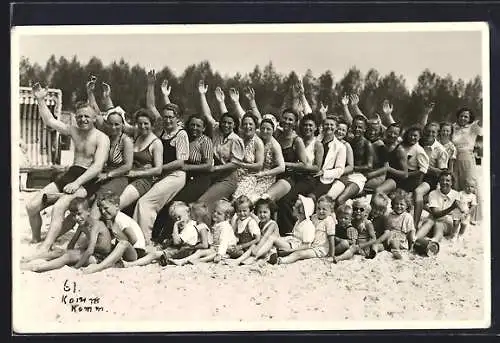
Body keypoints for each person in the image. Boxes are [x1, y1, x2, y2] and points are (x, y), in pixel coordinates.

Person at [25, 83, 110, 259]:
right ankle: (35, 239)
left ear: (95, 118)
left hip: (89, 179)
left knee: (59, 207)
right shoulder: (74, 131)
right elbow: (50, 121)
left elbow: (97, 166)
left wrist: (77, 183)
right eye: (79, 117)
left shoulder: (102, 138)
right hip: (71, 173)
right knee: (31, 206)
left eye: (87, 116)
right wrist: (40, 99)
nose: (83, 120)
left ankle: (46, 247)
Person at [133, 71, 190, 244]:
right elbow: (150, 106)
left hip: (176, 176)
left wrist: (155, 169)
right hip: (161, 174)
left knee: (146, 203)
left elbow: (181, 161)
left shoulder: (181, 134)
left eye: (171, 118)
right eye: (164, 117)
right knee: (138, 202)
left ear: (177, 119)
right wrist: (151, 85)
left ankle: (145, 242)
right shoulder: (162, 130)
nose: (167, 120)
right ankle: (136, 239)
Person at [151, 113, 214, 243]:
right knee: (168, 200)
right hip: (185, 177)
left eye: (198, 126)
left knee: (178, 203)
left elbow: (208, 166)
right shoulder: (185, 137)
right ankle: (158, 235)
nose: (194, 128)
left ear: (203, 128)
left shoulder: (205, 141)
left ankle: (167, 236)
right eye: (192, 125)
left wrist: (186, 167)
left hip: (201, 178)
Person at [22, 198, 112, 272]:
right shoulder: (82, 226)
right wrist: (67, 252)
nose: (77, 218)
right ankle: (31, 258)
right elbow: (72, 243)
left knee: (68, 256)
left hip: (102, 257)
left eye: (79, 214)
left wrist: (75, 266)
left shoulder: (96, 226)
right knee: (62, 252)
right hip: (92, 252)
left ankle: (37, 268)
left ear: (88, 211)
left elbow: (90, 251)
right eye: (73, 215)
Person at [198, 81, 245, 213]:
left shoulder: (236, 140)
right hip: (214, 175)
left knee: (202, 202)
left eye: (230, 123)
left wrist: (217, 168)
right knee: (204, 202)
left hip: (228, 178)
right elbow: (207, 115)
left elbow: (235, 164)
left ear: (234, 125)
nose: (226, 125)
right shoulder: (216, 130)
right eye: (224, 122)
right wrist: (202, 95)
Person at [275, 113, 324, 236]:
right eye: (305, 125)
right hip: (295, 176)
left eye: (310, 125)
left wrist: (293, 165)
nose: (307, 128)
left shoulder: (317, 144)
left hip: (309, 179)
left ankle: (290, 232)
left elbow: (317, 167)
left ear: (316, 128)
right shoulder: (298, 140)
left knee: (286, 200)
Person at [123, 201, 209, 267]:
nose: (178, 221)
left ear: (188, 213)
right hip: (177, 250)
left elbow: (177, 242)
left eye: (179, 217)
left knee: (154, 254)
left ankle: (130, 264)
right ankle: (130, 256)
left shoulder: (190, 227)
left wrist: (175, 226)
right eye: (175, 219)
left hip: (183, 252)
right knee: (148, 250)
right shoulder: (187, 226)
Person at [82, 191, 147, 274]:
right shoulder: (112, 220)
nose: (103, 211)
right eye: (101, 209)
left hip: (136, 252)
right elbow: (115, 236)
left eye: (106, 208)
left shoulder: (121, 219)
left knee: (123, 243)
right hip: (126, 250)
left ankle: (99, 267)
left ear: (116, 206)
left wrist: (118, 249)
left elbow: (133, 239)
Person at [260, 108, 308, 207]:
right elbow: (261, 122)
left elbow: (304, 164)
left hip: (287, 177)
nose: (287, 121)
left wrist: (283, 164)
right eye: (285, 118)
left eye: (290, 120)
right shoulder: (276, 134)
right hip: (271, 174)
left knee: (266, 199)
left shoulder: (297, 140)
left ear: (295, 123)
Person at [118, 109, 163, 211]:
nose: (143, 126)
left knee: (117, 204)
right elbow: (119, 126)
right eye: (139, 124)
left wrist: (136, 173)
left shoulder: (156, 143)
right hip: (128, 175)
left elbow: (158, 169)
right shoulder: (137, 134)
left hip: (144, 180)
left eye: (146, 123)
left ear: (152, 125)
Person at [167, 200, 237, 265]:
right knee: (200, 252)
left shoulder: (225, 227)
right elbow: (214, 239)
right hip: (217, 247)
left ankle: (198, 261)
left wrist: (220, 254)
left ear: (227, 217)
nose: (215, 214)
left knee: (211, 254)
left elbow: (224, 242)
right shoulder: (217, 224)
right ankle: (183, 261)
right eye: (214, 211)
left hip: (227, 249)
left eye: (219, 213)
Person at [451, 107, 483, 221]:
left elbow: (483, 128)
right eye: (461, 116)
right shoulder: (453, 127)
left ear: (470, 118)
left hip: (467, 156)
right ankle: (459, 213)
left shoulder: (473, 127)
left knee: (470, 182)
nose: (463, 118)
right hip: (454, 157)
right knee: (457, 184)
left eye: (466, 116)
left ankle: (474, 215)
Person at [414, 122, 449, 225]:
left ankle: (415, 225)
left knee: (418, 192)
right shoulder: (418, 142)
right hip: (414, 174)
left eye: (433, 132)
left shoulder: (440, 150)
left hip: (430, 178)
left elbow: (442, 172)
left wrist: (425, 167)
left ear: (437, 134)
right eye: (428, 131)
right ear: (424, 131)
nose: (430, 134)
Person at [336, 116, 375, 205]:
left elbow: (369, 166)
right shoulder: (348, 141)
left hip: (358, 177)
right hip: (344, 174)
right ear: (351, 127)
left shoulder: (367, 144)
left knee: (340, 199)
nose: (357, 129)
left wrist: (352, 168)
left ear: (365, 129)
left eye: (360, 127)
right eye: (355, 127)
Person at [268, 195, 316, 265]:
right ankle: (271, 253)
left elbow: (307, 246)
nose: (293, 207)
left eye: (295, 207)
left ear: (301, 210)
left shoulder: (308, 225)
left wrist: (290, 251)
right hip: (291, 242)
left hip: (292, 246)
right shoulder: (298, 222)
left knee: (272, 239)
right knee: (272, 237)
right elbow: (294, 236)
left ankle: (268, 254)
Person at [415, 171, 461, 243]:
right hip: (433, 220)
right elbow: (436, 214)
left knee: (439, 224)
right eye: (442, 180)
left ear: (452, 183)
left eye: (447, 180)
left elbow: (457, 218)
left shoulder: (456, 195)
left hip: (447, 224)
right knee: (429, 222)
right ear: (439, 181)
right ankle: (414, 239)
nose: (444, 182)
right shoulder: (433, 193)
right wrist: (451, 207)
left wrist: (454, 233)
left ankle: (434, 241)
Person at [399, 126, 430, 226]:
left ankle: (414, 223)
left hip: (412, 178)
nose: (412, 137)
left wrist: (407, 174)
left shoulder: (419, 150)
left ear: (420, 137)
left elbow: (423, 170)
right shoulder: (403, 145)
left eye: (415, 136)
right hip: (402, 175)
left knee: (403, 197)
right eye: (410, 135)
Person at [250, 116, 286, 203]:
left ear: (273, 130)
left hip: (266, 177)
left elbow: (282, 167)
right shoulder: (257, 135)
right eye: (263, 128)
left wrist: (264, 173)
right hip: (252, 172)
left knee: (252, 198)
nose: (265, 131)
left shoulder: (275, 145)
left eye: (268, 129)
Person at [232, 113, 265, 200]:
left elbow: (259, 165)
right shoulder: (239, 138)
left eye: (250, 124)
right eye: (245, 124)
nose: (247, 126)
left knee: (237, 199)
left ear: (255, 126)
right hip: (234, 174)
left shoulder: (258, 142)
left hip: (249, 176)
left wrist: (242, 165)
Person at [313, 116, 347, 199]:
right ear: (322, 126)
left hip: (325, 179)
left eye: (332, 125)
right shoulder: (315, 140)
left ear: (336, 128)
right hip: (310, 175)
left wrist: (323, 172)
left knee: (312, 197)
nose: (329, 127)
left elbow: (340, 170)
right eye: (326, 124)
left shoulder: (340, 147)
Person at [224, 196, 262, 266]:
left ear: (250, 211)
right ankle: (231, 255)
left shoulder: (251, 222)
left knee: (251, 248)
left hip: (250, 246)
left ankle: (238, 260)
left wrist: (241, 246)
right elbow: (234, 234)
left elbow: (257, 239)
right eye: (239, 211)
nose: (242, 213)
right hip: (242, 247)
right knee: (228, 248)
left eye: (244, 211)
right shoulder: (238, 221)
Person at [374, 123, 408, 194]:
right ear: (386, 131)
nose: (392, 135)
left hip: (393, 179)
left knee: (378, 190)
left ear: (399, 136)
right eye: (390, 132)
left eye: (395, 133)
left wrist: (389, 169)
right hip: (380, 175)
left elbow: (405, 174)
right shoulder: (380, 143)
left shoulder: (400, 150)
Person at [384, 189, 416, 259]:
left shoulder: (408, 217)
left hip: (402, 239)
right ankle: (395, 250)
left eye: (402, 204)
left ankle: (397, 251)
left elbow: (411, 232)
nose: (399, 206)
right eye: (396, 204)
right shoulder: (390, 215)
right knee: (391, 242)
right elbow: (387, 229)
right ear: (392, 205)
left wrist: (411, 247)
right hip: (390, 237)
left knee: (395, 243)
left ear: (407, 206)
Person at [454, 177, 478, 243]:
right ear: (464, 186)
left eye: (472, 187)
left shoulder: (473, 196)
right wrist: (460, 208)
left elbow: (473, 205)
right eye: (467, 186)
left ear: (474, 188)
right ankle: (454, 234)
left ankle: (460, 235)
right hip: (458, 211)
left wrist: (468, 212)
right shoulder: (460, 193)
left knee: (464, 225)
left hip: (466, 212)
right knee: (456, 223)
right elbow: (456, 201)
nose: (469, 188)